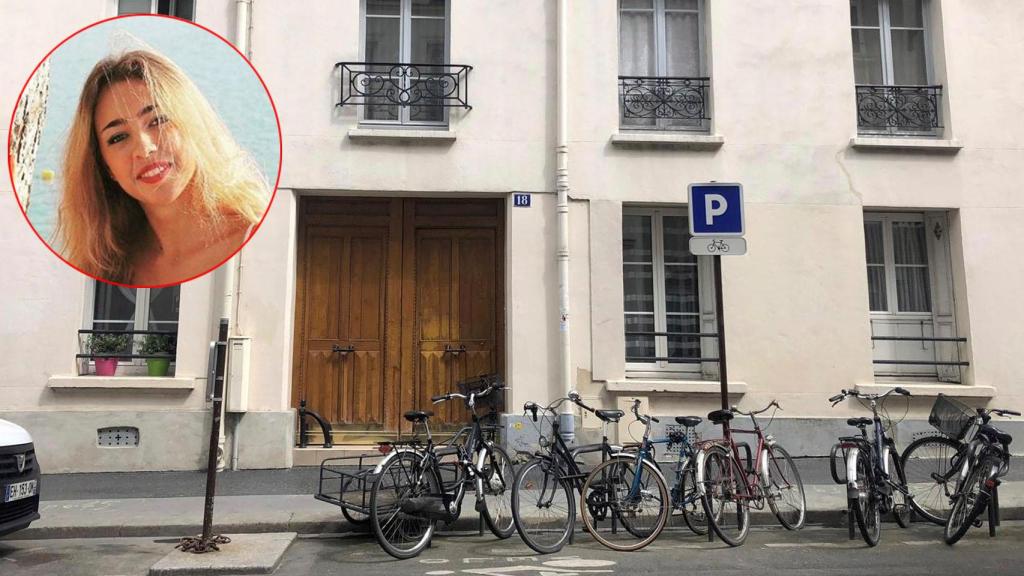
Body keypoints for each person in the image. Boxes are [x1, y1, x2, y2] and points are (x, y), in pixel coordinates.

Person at [57, 49, 269, 285]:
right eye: (118, 138)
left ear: (192, 123)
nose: (144, 148)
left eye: (158, 120)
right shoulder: (104, 269)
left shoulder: (256, 239)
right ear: (105, 167)